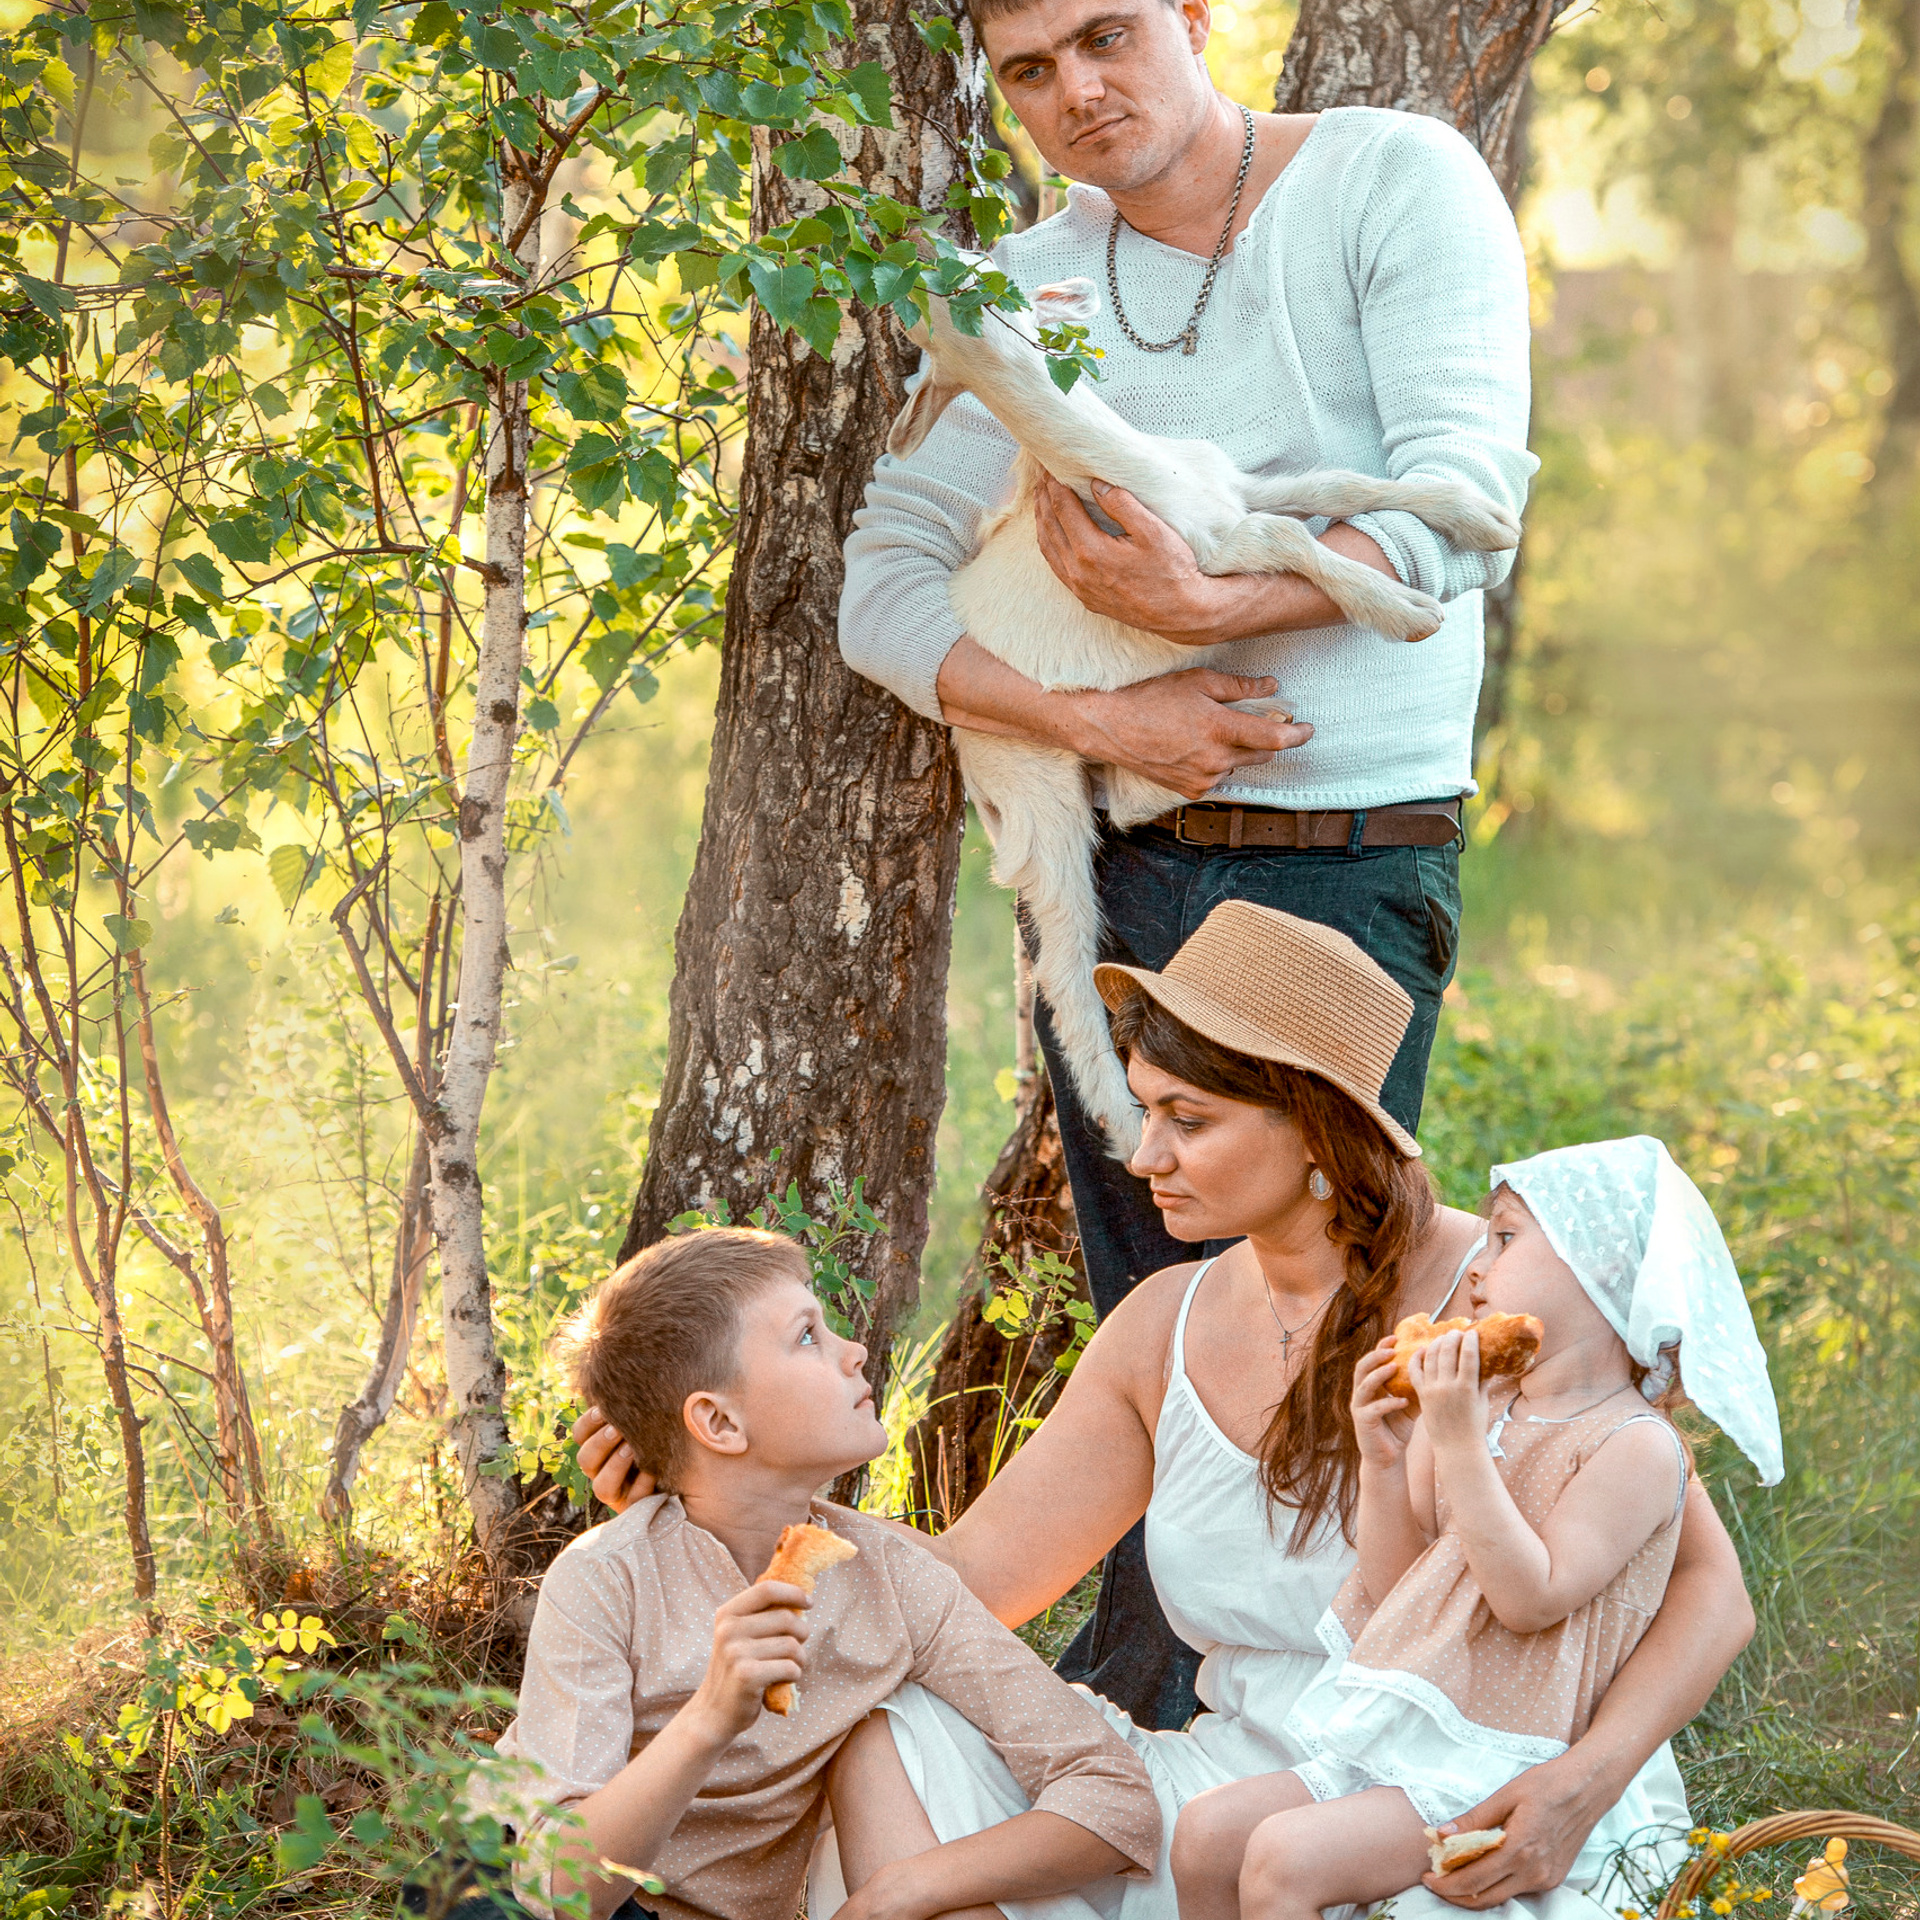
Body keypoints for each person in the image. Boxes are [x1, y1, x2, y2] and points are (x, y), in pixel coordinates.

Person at [836, 0, 1538, 1727]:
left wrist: (1221, 605)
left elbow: (1462, 500)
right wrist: (1116, 723)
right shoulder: (1019, 290)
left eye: (1106, 37)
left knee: (1314, 1313)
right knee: (1155, 1318)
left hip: (1345, 864)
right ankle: (1145, 1719)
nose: (1077, 92)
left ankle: (1364, 1705)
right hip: (1124, 881)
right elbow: (882, 592)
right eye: (1028, 70)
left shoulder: (1393, 180)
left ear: (1195, 21)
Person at [574, 905, 1758, 1920]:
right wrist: (719, 1496)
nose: (1145, 1156)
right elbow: (958, 1591)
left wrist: (1585, 1782)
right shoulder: (1164, 1323)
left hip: (1466, 1784)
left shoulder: (1502, 1297)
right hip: (1230, 1794)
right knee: (902, 1723)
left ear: (1317, 1132)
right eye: (1146, 1111)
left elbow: (1708, 1587)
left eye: (1189, 1120)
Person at [1169, 1139, 1783, 1920]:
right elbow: (1399, 1593)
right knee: (1206, 1835)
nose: (1479, 1263)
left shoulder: (1633, 1446)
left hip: (1503, 1753)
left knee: (1284, 1862)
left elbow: (1532, 1599)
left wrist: (1456, 1440)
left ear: (1600, 1267)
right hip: (1417, 1730)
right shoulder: (1484, 1402)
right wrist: (1384, 1461)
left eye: (1506, 1237)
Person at [476, 1227, 1159, 1920]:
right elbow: (554, 1893)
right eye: (808, 1336)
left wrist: (904, 1891)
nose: (854, 1350)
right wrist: (709, 1719)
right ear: (717, 1421)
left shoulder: (894, 1581)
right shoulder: (605, 1578)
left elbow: (1113, 1793)